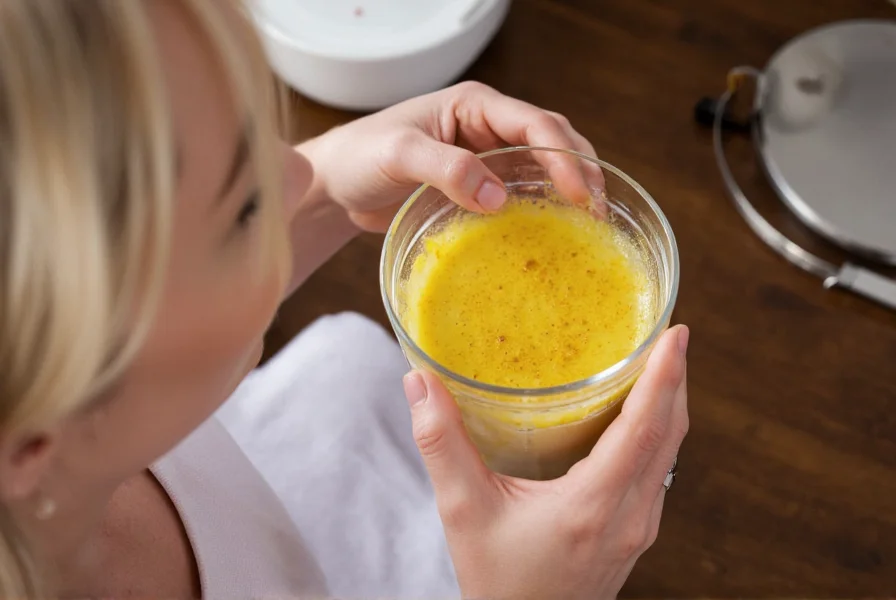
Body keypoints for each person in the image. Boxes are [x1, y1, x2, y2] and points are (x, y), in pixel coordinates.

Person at [0, 0, 689, 598]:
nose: (297, 170)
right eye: (243, 211)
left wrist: (332, 186)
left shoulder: (70, 450)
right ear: (37, 438)